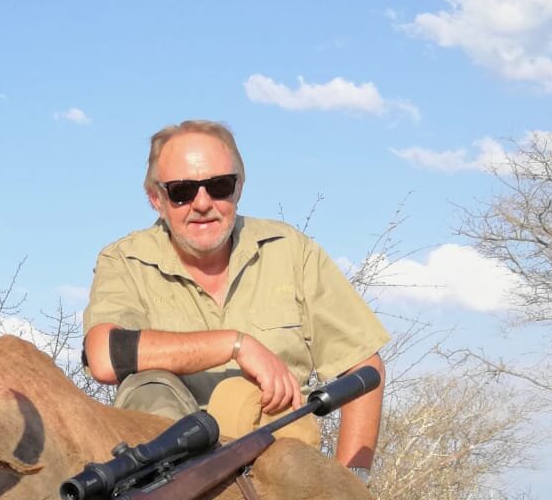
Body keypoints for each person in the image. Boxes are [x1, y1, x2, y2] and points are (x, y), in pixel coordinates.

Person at [82, 119, 387, 480]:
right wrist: (235, 345)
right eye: (182, 191)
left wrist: (352, 481)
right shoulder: (123, 261)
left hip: (280, 471)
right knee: (147, 387)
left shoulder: (291, 251)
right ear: (156, 199)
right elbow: (103, 356)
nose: (202, 204)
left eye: (219, 186)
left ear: (238, 188)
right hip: (170, 483)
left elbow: (364, 366)